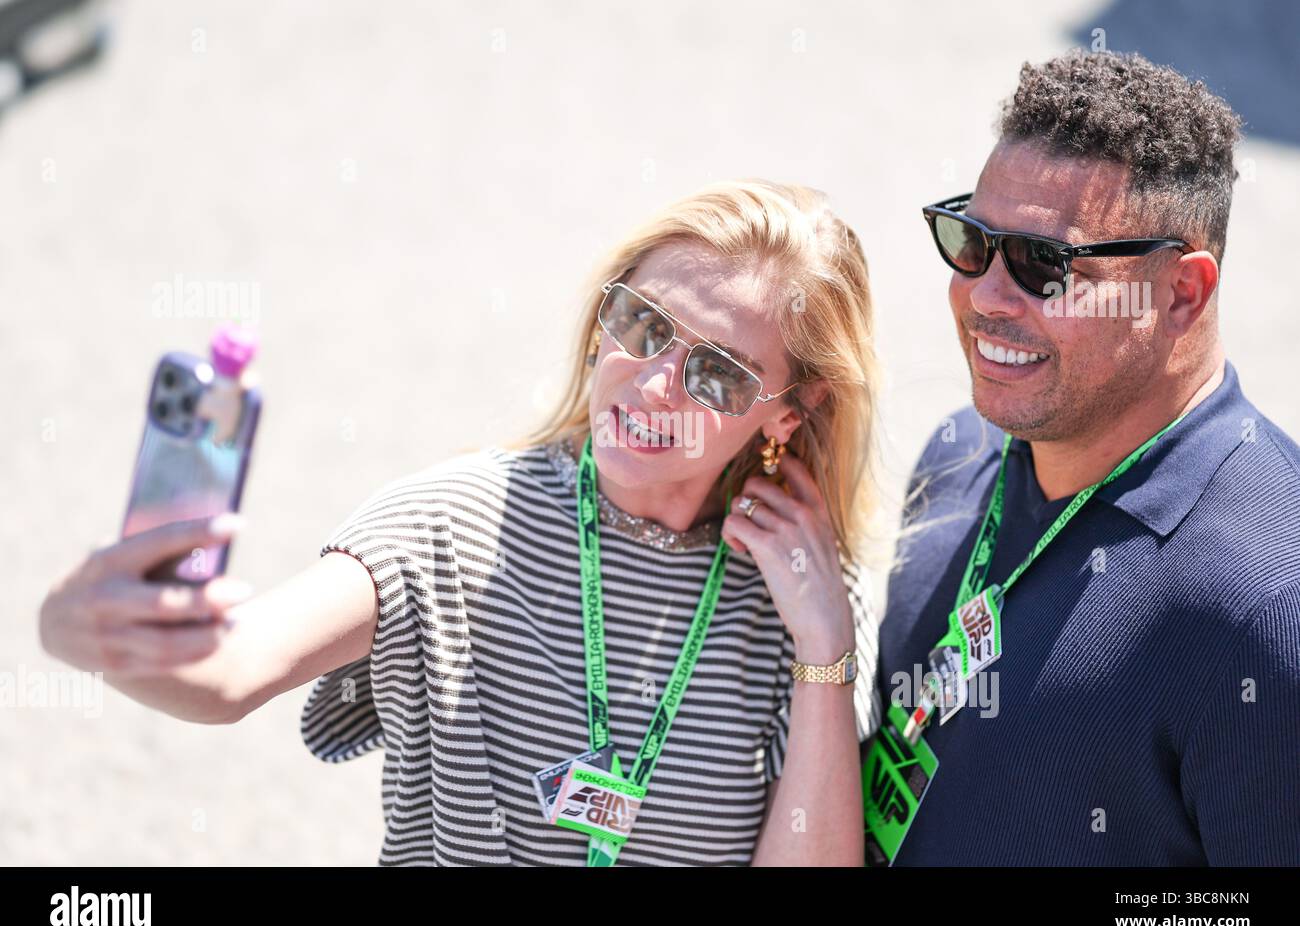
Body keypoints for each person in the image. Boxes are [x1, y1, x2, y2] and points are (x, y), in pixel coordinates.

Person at [39, 179, 884, 866]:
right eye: (643, 324)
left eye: (717, 373)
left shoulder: (807, 597)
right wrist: (88, 630)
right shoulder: (449, 524)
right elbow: (231, 673)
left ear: (788, 413)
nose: (654, 385)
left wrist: (823, 653)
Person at [874, 50, 1300, 865]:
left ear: (1182, 293)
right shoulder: (960, 452)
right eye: (973, 241)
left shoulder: (1273, 607)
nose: (988, 298)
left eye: (1045, 265)